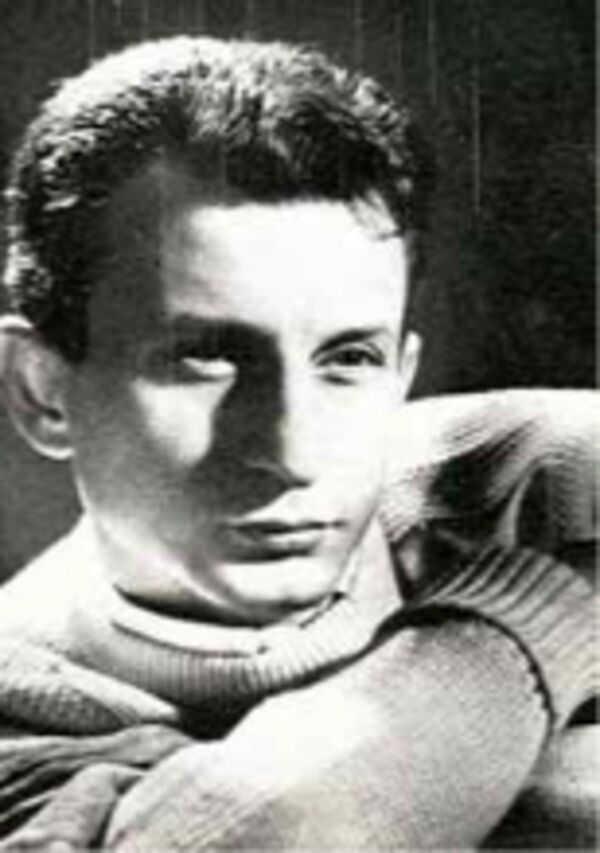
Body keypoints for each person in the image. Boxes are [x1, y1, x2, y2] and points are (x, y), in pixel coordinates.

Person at [0, 35, 596, 850]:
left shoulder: (545, 481)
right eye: (202, 357)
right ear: (41, 389)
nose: (293, 451)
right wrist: (561, 610)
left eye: (349, 359)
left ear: (401, 372)